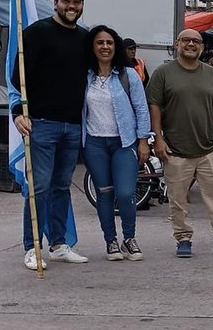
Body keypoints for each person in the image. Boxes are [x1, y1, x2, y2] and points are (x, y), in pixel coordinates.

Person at [12, 0, 91, 270]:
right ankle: (32, 247)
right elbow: (16, 78)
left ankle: (58, 244)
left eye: (77, 2)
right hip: (42, 124)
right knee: (40, 187)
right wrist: (18, 111)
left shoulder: (85, 38)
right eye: (66, 1)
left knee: (61, 187)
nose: (72, 6)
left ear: (82, 6)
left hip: (72, 126)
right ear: (56, 3)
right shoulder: (36, 32)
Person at [147, 29, 213, 258]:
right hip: (175, 149)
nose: (191, 44)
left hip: (208, 147)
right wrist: (158, 138)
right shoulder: (163, 73)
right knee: (178, 199)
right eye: (186, 40)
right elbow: (154, 107)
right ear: (177, 44)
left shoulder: (212, 74)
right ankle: (183, 239)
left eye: (196, 41)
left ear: (201, 47)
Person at [81, 25, 151, 261]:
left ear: (116, 46)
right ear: (92, 47)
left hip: (124, 142)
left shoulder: (128, 74)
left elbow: (141, 109)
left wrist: (143, 140)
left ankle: (129, 238)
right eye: (100, 42)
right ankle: (110, 241)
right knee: (104, 193)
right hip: (94, 143)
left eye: (109, 43)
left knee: (125, 192)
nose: (105, 47)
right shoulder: (85, 75)